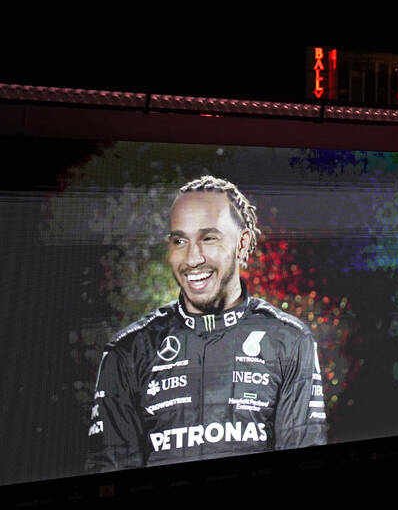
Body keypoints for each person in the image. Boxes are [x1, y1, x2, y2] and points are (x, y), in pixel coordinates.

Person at [86, 175, 326, 472]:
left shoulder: (290, 341)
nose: (192, 258)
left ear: (243, 243)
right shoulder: (127, 351)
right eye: (180, 241)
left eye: (208, 238)